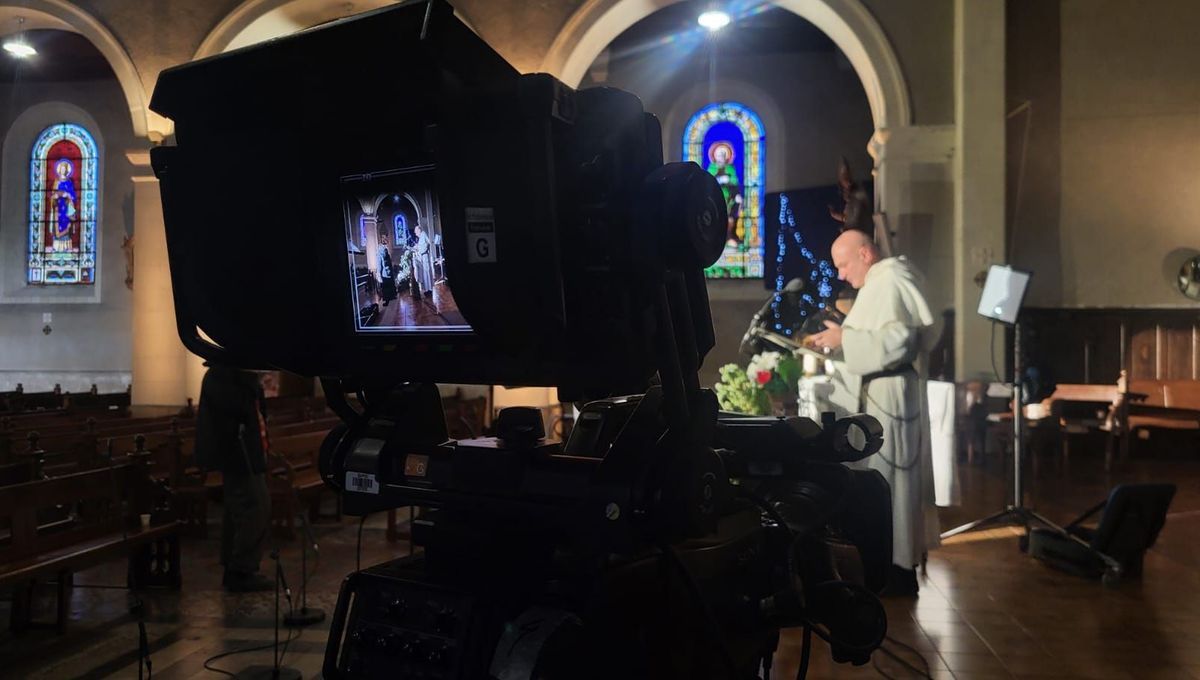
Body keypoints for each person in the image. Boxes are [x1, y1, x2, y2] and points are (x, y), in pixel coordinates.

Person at [805, 229, 939, 595]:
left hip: (892, 395)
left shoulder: (891, 278)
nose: (840, 274)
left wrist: (845, 338)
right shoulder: (878, 283)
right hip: (881, 392)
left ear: (865, 253)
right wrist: (839, 340)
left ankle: (898, 569)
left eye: (843, 264)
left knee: (893, 482)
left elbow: (901, 341)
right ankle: (884, 563)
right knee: (882, 481)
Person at [194, 364, 273, 592]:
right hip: (237, 455)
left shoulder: (237, 376)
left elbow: (256, 409)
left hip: (249, 452)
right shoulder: (221, 375)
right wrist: (250, 379)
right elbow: (236, 408)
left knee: (241, 511)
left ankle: (235, 567)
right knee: (254, 509)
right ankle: (241, 569)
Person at [828, 157, 872, 235]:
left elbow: (855, 219)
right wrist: (835, 215)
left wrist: (846, 229)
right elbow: (847, 217)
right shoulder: (851, 199)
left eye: (846, 177)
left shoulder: (858, 196)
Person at [413, 224, 434, 297]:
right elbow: (421, 246)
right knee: (424, 274)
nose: (416, 234)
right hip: (422, 257)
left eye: (416, 232)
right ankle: (427, 289)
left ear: (419, 230)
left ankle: (429, 289)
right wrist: (417, 247)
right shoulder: (420, 237)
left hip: (425, 257)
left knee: (427, 273)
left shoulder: (423, 234)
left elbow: (428, 243)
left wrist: (420, 248)